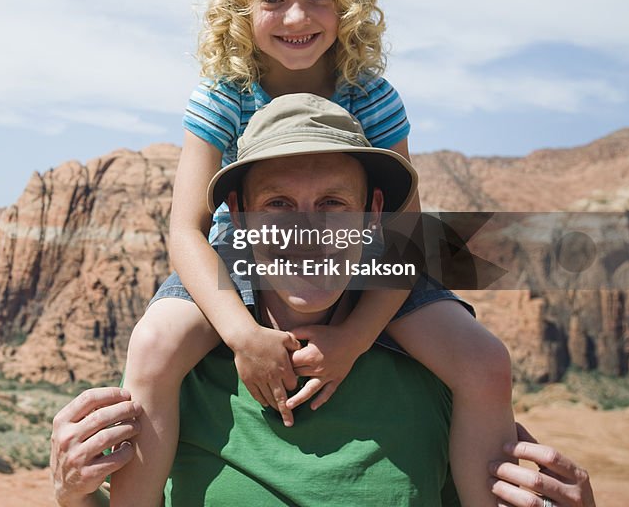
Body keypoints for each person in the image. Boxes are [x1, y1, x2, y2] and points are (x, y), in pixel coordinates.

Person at [111, 0, 515, 507]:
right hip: (243, 255)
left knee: (484, 361)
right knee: (153, 350)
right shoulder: (224, 94)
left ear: (347, 3)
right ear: (242, 8)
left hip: (364, 255)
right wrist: (242, 334)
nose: (296, 15)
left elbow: (402, 235)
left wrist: (352, 339)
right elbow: (188, 228)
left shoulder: (371, 96)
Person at [51, 97, 597, 507]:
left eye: (333, 204)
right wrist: (72, 495)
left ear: (372, 213)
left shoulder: (445, 377)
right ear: (237, 217)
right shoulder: (177, 374)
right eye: (278, 203)